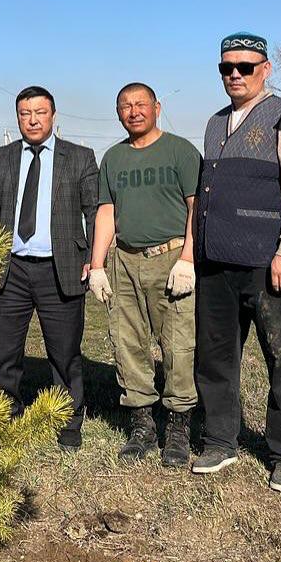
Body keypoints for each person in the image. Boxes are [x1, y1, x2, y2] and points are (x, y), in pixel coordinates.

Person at [193, 32, 281, 492]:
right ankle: (221, 439)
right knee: (216, 356)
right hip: (216, 263)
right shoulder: (213, 121)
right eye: (227, 68)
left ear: (266, 68)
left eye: (245, 67)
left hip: (267, 265)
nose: (235, 75)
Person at [89, 83, 201, 467]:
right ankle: (142, 424)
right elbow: (107, 212)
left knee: (177, 345)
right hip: (124, 260)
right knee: (127, 343)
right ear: (118, 111)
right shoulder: (114, 158)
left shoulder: (181, 151)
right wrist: (98, 264)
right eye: (125, 105)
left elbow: (195, 209)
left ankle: (178, 426)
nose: (133, 111)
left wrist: (188, 257)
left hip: (169, 259)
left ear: (156, 107)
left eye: (140, 104)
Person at [0, 87, 98, 449]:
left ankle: (67, 419)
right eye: (25, 113)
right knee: (5, 350)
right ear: (17, 117)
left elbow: (94, 211)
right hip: (11, 269)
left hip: (60, 268)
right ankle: (5, 415)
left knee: (64, 352)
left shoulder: (79, 157)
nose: (32, 120)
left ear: (53, 115)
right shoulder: (1, 158)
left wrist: (95, 260)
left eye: (40, 112)